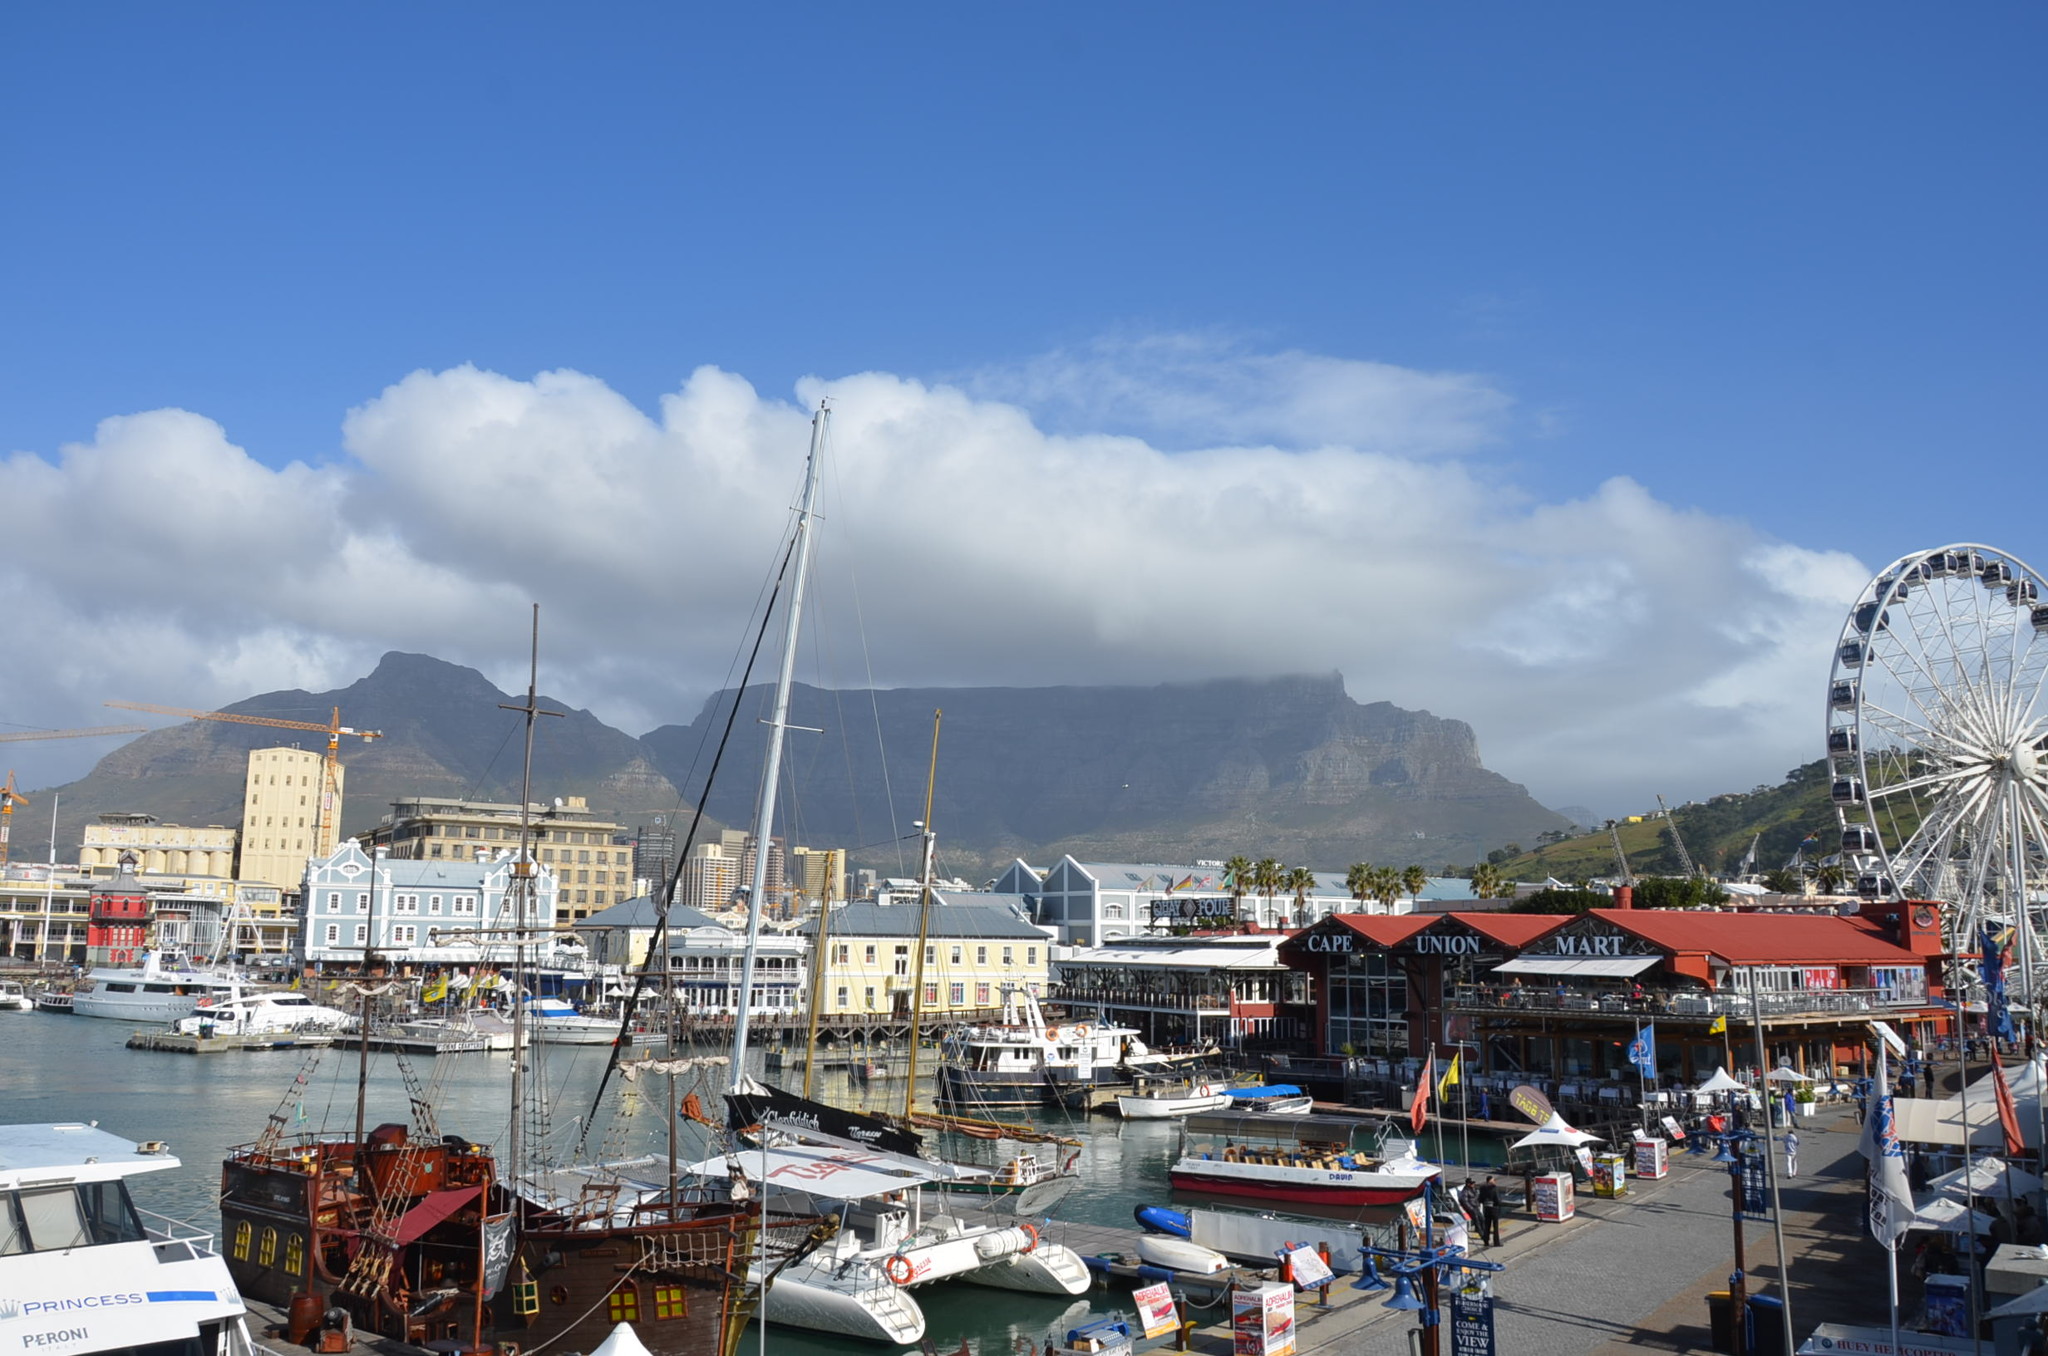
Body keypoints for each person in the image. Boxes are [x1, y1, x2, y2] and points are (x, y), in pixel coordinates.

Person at [1478, 1175, 1502, 1247]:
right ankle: (1496, 1242)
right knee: (1495, 1226)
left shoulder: (1482, 1188)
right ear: (1491, 1181)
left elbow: (1480, 1199)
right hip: (1494, 1208)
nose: (1495, 1182)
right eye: (1494, 1180)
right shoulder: (1494, 1188)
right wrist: (1499, 1203)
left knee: (1487, 1225)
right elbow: (1497, 1199)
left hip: (1486, 1208)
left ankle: (1486, 1241)